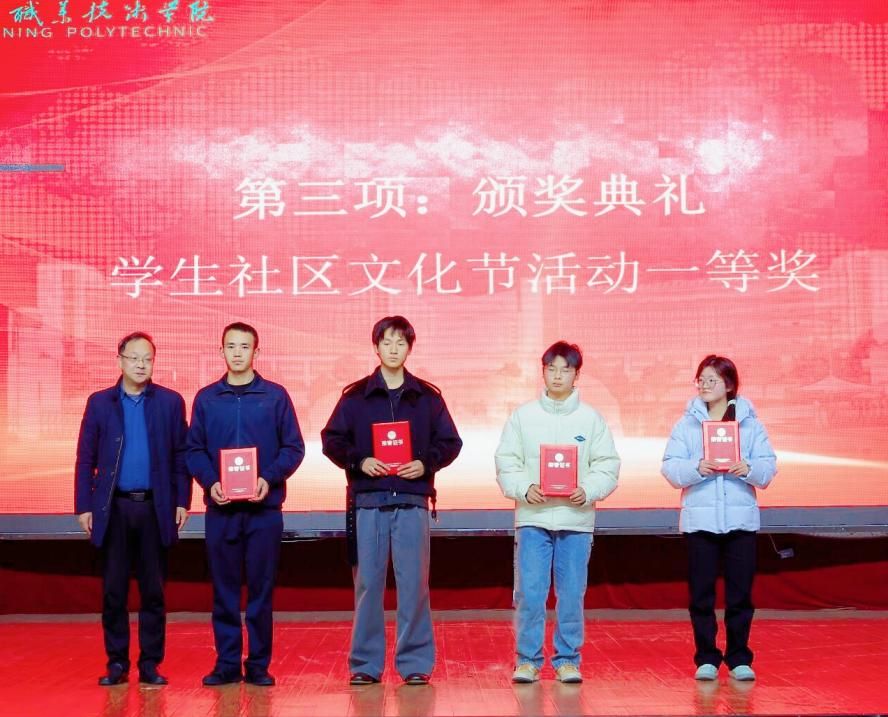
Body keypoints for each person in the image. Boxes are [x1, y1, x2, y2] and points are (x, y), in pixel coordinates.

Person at [321, 315, 462, 686]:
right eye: (387, 342)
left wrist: (426, 463)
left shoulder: (427, 398)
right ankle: (365, 665)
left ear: (410, 348)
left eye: (401, 343)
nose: (393, 349)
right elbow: (331, 439)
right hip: (368, 502)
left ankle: (415, 663)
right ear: (376, 347)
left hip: (412, 502)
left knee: (414, 585)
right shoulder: (355, 398)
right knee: (368, 586)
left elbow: (451, 442)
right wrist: (360, 462)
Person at [187, 322, 304, 687]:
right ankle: (226, 664)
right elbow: (193, 450)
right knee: (223, 591)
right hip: (221, 511)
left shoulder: (275, 396)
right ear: (221, 351)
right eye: (231, 346)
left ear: (257, 352)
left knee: (260, 592)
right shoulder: (207, 399)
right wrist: (211, 482)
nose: (237, 353)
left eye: (244, 347)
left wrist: (268, 477)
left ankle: (258, 665)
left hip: (263, 512)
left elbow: (293, 447)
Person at [495, 341, 620, 684]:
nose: (558, 376)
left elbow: (607, 465)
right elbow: (506, 461)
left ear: (577, 375)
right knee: (531, 594)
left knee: (571, 595)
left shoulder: (591, 419)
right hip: (533, 519)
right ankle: (527, 660)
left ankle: (567, 660)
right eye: (552, 369)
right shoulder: (523, 416)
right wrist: (524, 488)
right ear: (543, 372)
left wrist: (588, 490)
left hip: (576, 521)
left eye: (566, 370)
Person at [75, 331, 190, 686]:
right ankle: (117, 663)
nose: (141, 364)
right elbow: (85, 458)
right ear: (120, 360)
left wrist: (182, 500)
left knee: (154, 591)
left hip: (155, 507)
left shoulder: (170, 402)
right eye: (134, 358)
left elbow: (181, 456)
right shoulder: (100, 403)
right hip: (114, 509)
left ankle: (150, 663)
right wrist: (84, 505)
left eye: (147, 359)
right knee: (114, 591)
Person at [661, 355, 776, 682]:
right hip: (700, 523)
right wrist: (696, 468)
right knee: (701, 595)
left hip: (740, 521)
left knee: (740, 595)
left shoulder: (750, 424)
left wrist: (749, 469)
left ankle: (739, 657)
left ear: (729, 385)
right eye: (701, 379)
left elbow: (768, 467)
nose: (704, 385)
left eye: (712, 380)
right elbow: (670, 468)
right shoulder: (686, 425)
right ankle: (706, 658)